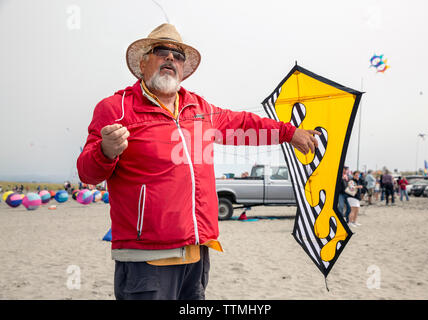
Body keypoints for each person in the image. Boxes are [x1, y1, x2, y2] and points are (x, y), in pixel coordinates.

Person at [76, 23, 320, 300]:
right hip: (146, 259)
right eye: (162, 51)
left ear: (183, 68)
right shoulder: (115, 107)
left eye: (178, 55)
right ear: (143, 62)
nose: (171, 58)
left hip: (197, 253)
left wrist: (289, 132)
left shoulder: (199, 108)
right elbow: (87, 172)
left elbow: (243, 124)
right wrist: (105, 151)